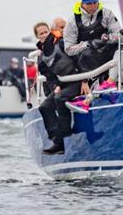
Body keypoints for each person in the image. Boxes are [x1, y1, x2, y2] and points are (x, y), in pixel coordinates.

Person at [33, 21, 81, 155]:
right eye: (40, 33)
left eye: (45, 32)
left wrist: (84, 81)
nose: (44, 35)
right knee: (45, 107)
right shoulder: (41, 56)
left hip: (77, 81)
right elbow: (49, 75)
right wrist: (56, 86)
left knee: (60, 99)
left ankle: (65, 135)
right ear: (37, 37)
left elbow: (78, 59)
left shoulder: (61, 43)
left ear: (49, 31)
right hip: (62, 85)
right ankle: (58, 142)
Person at [64, 0, 121, 75]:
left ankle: (114, 80)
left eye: (94, 2)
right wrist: (89, 44)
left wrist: (108, 38)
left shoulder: (107, 14)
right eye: (89, 3)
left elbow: (120, 35)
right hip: (88, 60)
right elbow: (68, 49)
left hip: (107, 51)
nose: (92, 6)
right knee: (88, 54)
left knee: (122, 50)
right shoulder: (72, 21)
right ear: (82, 4)